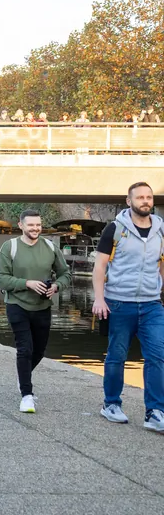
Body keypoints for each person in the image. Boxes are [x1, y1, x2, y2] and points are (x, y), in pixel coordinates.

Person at [92, 182, 164, 431]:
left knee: (157, 356)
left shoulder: (161, 229)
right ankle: (111, 404)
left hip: (152, 304)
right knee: (117, 355)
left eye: (149, 197)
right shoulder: (114, 229)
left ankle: (155, 412)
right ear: (128, 200)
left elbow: (162, 263)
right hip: (119, 303)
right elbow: (100, 267)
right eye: (140, 197)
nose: (145, 201)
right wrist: (99, 299)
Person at [0, 209, 72, 413]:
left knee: (39, 351)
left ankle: (23, 378)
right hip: (17, 304)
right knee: (25, 349)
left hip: (43, 306)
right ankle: (27, 395)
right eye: (31, 225)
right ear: (21, 226)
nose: (35, 228)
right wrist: (26, 283)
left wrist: (56, 286)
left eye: (38, 225)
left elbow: (65, 274)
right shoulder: (9, 247)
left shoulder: (50, 247)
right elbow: (0, 278)